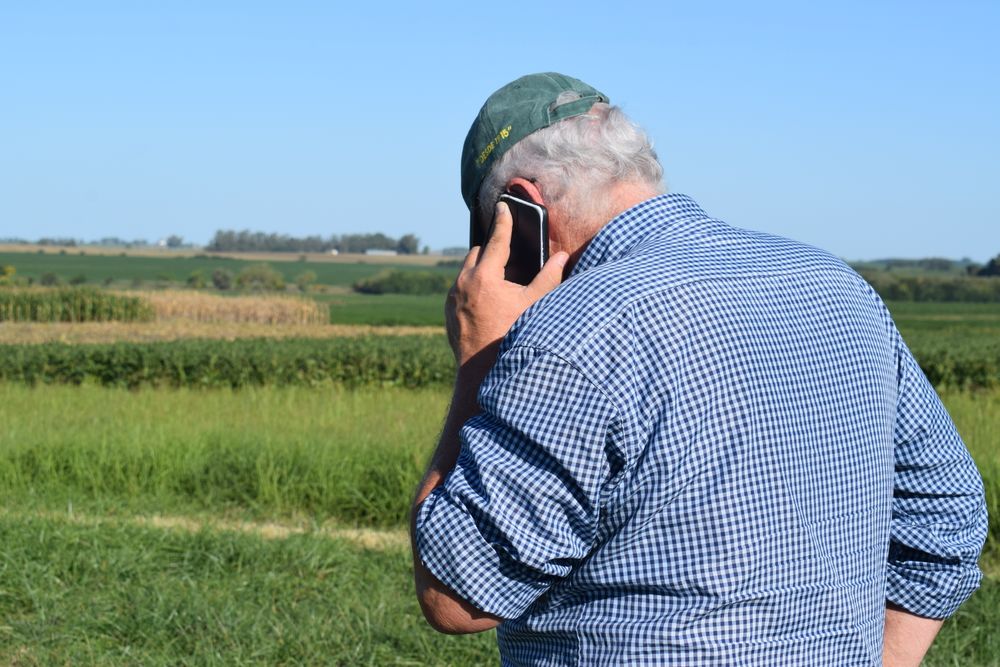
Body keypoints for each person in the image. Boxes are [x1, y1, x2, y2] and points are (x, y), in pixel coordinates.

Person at [410, 72, 988, 665]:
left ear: (522, 210)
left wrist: (482, 356)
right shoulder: (837, 285)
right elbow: (946, 512)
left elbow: (456, 595)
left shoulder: (573, 331)